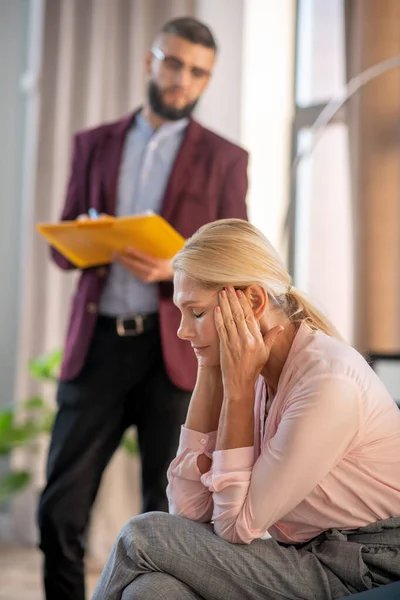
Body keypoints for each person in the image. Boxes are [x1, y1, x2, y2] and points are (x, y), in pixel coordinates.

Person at [37, 18, 248, 600]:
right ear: (150, 61)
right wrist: (86, 236)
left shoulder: (226, 159)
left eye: (197, 72)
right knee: (60, 508)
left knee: (164, 516)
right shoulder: (94, 143)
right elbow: (62, 251)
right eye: (174, 64)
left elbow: (237, 259)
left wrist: (180, 266)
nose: (183, 79)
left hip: (177, 354)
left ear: (208, 80)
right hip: (99, 344)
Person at [91, 219, 400, 600]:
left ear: (252, 302)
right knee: (153, 590)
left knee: (142, 535)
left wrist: (235, 392)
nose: (182, 331)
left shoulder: (327, 383)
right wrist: (210, 371)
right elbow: (189, 511)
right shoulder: (250, 366)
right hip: (306, 556)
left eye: (197, 312)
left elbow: (237, 526)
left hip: (367, 564)